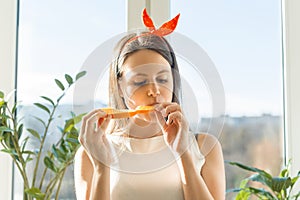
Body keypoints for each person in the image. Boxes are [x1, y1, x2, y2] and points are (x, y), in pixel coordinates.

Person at [74, 32, 225, 200]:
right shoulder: (91, 152)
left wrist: (183, 153)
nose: (154, 90)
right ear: (119, 88)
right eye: (139, 82)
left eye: (162, 79)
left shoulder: (204, 147)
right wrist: (102, 167)